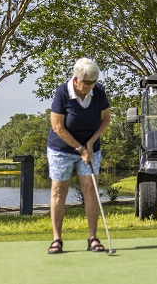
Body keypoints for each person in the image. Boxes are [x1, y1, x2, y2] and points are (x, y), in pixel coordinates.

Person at [47, 58, 111, 254]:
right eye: (88, 82)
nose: (92, 85)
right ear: (76, 80)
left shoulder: (98, 92)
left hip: (91, 147)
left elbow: (106, 120)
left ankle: (93, 238)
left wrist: (91, 143)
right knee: (59, 191)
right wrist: (80, 149)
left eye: (95, 82)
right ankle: (57, 239)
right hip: (62, 149)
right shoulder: (62, 93)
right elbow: (58, 127)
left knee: (90, 189)